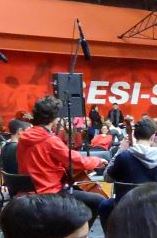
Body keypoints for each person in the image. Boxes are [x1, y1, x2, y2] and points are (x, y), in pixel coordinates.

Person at [17, 96, 108, 226]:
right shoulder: (49, 140)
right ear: (54, 119)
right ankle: (76, 236)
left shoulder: (24, 137)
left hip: (29, 191)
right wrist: (97, 161)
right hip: (49, 192)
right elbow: (77, 161)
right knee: (99, 200)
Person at [97, 117, 157, 232]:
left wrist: (120, 150)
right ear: (152, 136)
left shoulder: (123, 157)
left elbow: (107, 178)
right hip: (155, 207)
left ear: (135, 136)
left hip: (126, 207)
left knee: (105, 205)